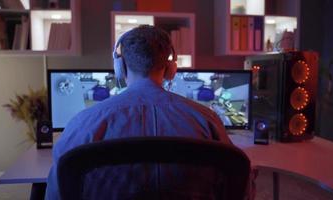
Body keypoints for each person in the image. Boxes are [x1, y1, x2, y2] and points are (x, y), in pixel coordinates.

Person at [45, 25, 235, 199]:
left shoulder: (84, 122)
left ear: (119, 68)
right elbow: (238, 184)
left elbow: (57, 193)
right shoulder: (207, 120)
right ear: (171, 69)